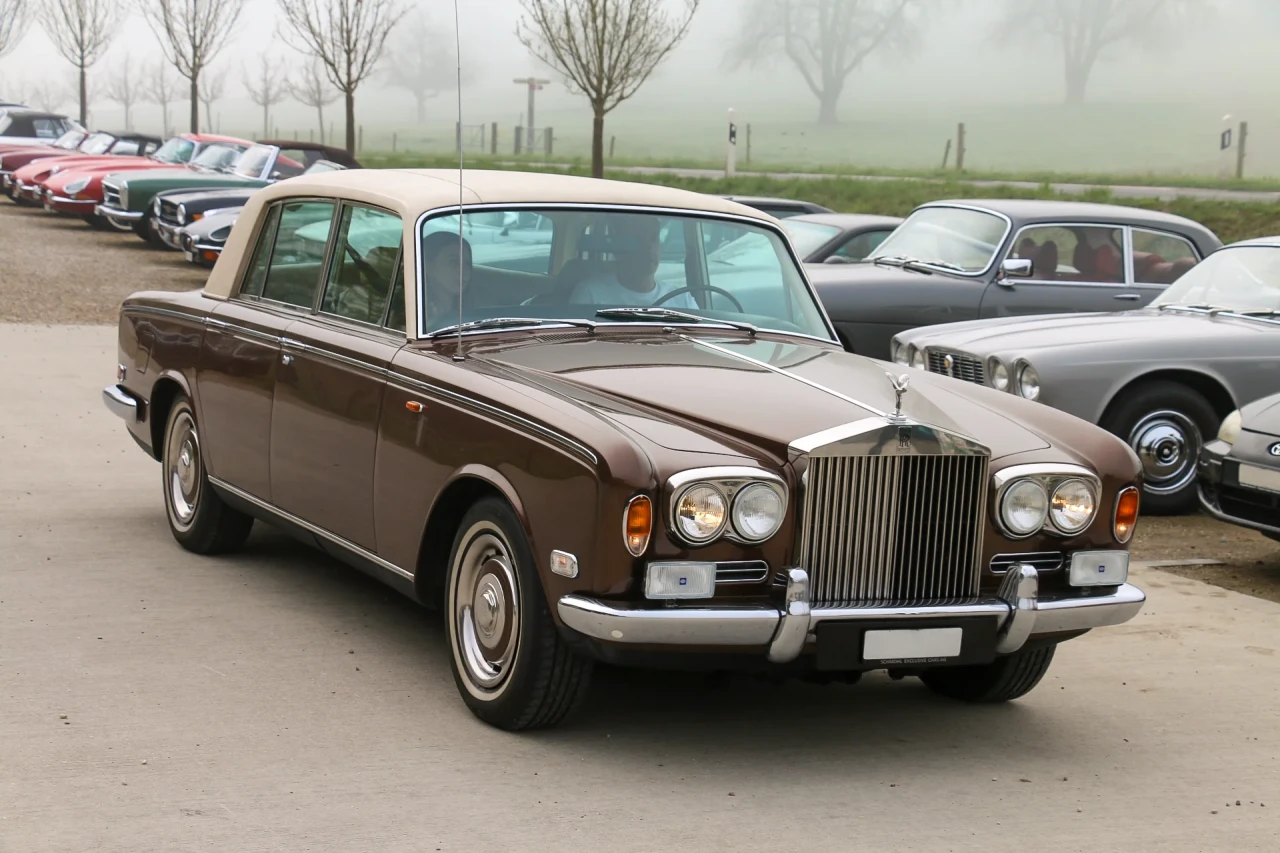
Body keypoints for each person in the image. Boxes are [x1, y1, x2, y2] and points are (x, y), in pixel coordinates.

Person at [570, 214, 696, 309]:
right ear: (619, 248)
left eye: (653, 238)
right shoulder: (591, 294)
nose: (648, 246)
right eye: (637, 239)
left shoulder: (681, 299)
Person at [422, 229, 473, 329]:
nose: (463, 270)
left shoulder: (470, 309)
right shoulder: (422, 316)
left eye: (467, 264)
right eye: (453, 262)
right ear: (429, 267)